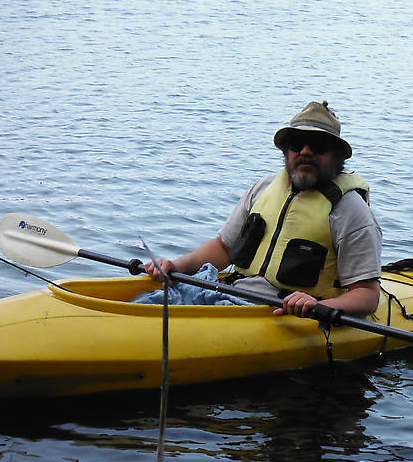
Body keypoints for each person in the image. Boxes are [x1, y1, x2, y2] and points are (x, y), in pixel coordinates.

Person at [145, 101, 382, 318]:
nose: (305, 151)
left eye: (318, 146)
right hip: (230, 295)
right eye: (297, 144)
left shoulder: (351, 211)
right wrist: (177, 266)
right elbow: (223, 248)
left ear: (336, 156)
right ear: (286, 151)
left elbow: (367, 295)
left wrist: (319, 306)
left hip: (284, 313)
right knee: (151, 302)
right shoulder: (264, 189)